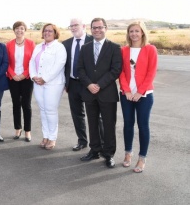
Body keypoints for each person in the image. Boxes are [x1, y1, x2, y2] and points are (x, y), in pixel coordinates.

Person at [78, 17, 121, 168]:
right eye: (94, 28)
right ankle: (94, 150)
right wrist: (89, 84)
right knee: (93, 123)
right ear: (91, 29)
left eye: (100, 27)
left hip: (107, 93)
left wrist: (99, 85)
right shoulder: (85, 48)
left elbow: (116, 70)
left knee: (109, 125)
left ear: (105, 28)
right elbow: (80, 69)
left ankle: (108, 154)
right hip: (89, 92)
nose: (97, 30)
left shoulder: (115, 48)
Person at [119, 21, 157, 173]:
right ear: (128, 34)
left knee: (143, 126)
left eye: (137, 31)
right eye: (131, 31)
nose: (134, 34)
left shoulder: (150, 49)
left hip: (144, 95)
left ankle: (142, 158)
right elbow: (120, 72)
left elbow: (151, 72)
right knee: (128, 124)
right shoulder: (124, 50)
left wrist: (140, 91)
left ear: (142, 32)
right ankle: (128, 153)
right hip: (126, 95)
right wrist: (127, 90)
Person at [63, 18, 104, 151]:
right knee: (77, 114)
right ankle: (82, 140)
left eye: (76, 25)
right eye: (71, 26)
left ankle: (99, 144)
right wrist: (65, 82)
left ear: (83, 26)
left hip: (89, 85)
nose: (74, 28)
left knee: (95, 115)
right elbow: (64, 65)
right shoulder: (66, 44)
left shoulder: (93, 41)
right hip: (73, 83)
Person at [29, 23, 66, 150]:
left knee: (50, 110)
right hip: (38, 83)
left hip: (53, 84)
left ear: (55, 33)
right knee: (43, 110)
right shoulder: (38, 47)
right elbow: (31, 62)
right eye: (45, 31)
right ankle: (45, 136)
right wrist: (33, 76)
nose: (47, 33)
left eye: (50, 31)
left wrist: (45, 79)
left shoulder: (59, 47)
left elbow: (59, 65)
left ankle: (52, 138)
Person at [5, 21, 35, 142]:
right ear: (14, 30)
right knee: (16, 104)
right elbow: (6, 62)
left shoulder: (31, 44)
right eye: (17, 28)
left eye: (22, 28)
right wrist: (13, 74)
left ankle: (27, 131)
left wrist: (24, 74)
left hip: (26, 79)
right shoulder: (9, 44)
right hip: (13, 79)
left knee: (26, 105)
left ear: (25, 30)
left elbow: (33, 62)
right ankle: (18, 128)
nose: (19, 31)